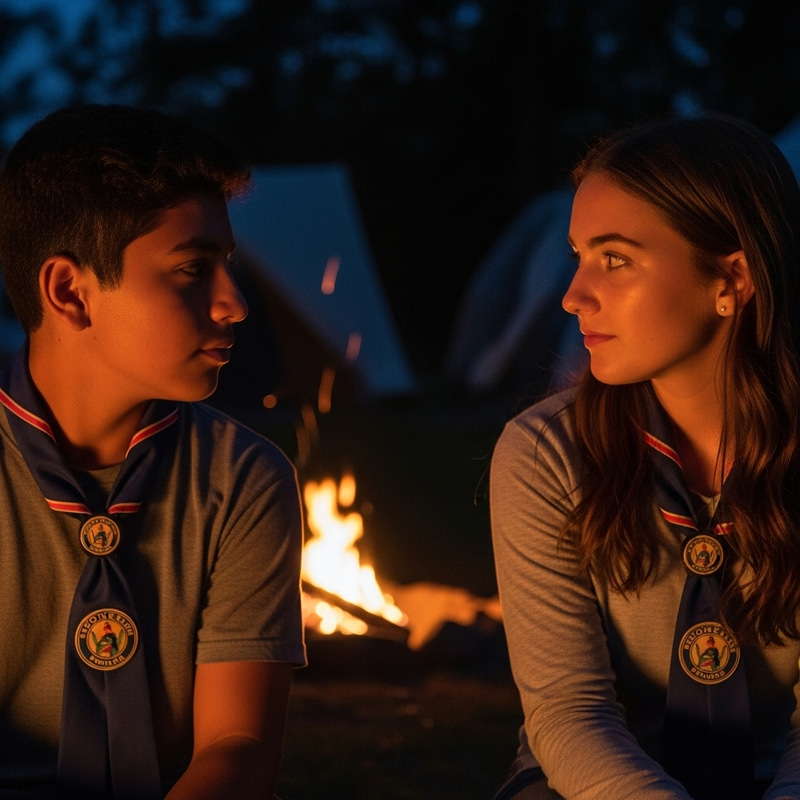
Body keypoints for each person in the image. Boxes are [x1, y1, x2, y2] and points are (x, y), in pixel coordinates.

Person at [490, 113, 800, 800]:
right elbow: (570, 712)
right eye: (577, 256)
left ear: (733, 278)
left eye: (615, 258)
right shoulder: (546, 455)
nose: (574, 296)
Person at [0, 105, 306, 798]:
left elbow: (237, 745)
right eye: (194, 270)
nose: (234, 304)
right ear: (70, 292)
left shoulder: (242, 479)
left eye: (227, 266)